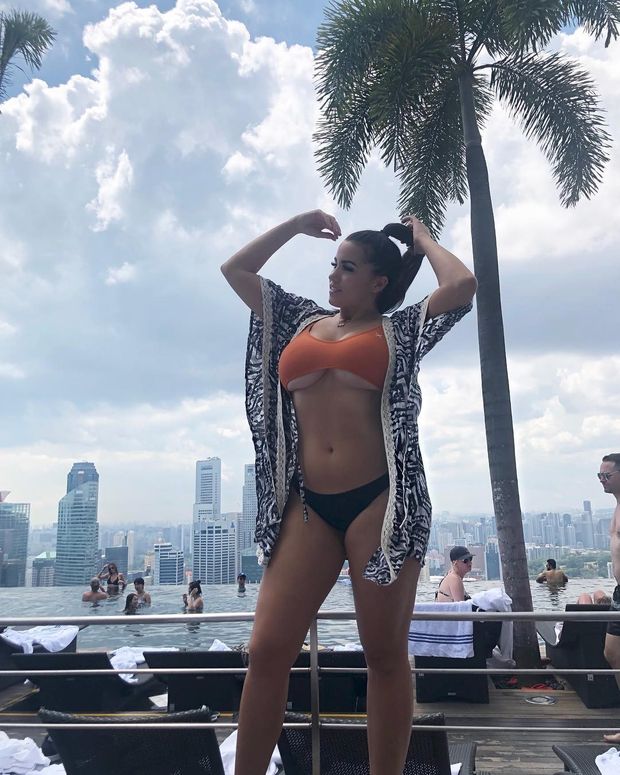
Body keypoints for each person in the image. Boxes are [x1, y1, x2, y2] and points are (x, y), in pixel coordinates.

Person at [221, 209, 476, 775]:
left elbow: (461, 285)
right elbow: (236, 270)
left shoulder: (400, 330)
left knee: (383, 655)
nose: (333, 276)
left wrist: (421, 238)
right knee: (267, 652)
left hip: (381, 505)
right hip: (307, 505)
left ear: (378, 281)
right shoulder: (297, 319)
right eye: (334, 265)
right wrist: (296, 225)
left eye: (348, 268)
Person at [596, 453, 620, 745]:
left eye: (607, 475)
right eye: (599, 476)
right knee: (612, 654)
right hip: (618, 592)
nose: (602, 480)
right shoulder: (616, 505)